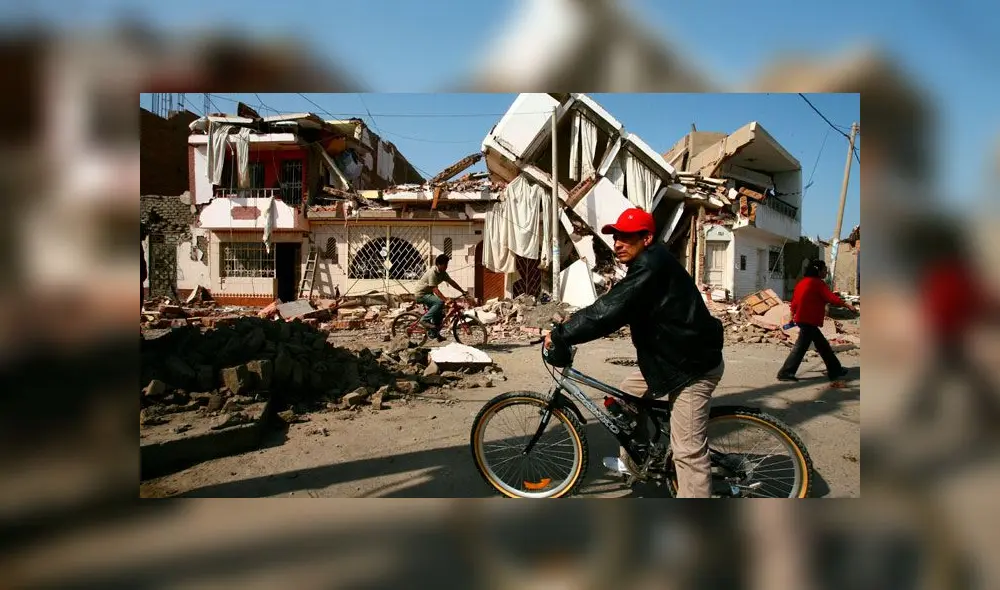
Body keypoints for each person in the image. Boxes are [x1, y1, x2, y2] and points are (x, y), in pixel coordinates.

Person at [545, 207, 725, 498]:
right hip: (670, 358)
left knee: (688, 451)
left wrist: (562, 334)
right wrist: (570, 326)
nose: (617, 243)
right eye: (616, 237)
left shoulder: (651, 265)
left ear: (647, 238)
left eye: (626, 237)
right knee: (626, 397)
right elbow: (614, 308)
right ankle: (638, 459)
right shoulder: (648, 263)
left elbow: (611, 309)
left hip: (692, 367)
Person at [776, 259, 857, 382]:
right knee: (801, 347)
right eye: (824, 270)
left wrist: (793, 315)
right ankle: (785, 372)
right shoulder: (818, 284)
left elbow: (795, 302)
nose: (826, 273)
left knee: (823, 346)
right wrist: (847, 305)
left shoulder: (801, 283)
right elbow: (831, 298)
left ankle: (835, 369)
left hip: (803, 319)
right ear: (818, 271)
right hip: (809, 320)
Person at [414, 254, 470, 341]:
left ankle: (435, 334)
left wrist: (462, 291)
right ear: (438, 264)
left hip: (429, 294)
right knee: (439, 302)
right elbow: (435, 289)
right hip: (421, 294)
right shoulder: (432, 272)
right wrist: (445, 300)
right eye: (445, 265)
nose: (446, 267)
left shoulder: (443, 273)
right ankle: (424, 320)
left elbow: (452, 282)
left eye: (447, 264)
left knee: (439, 314)